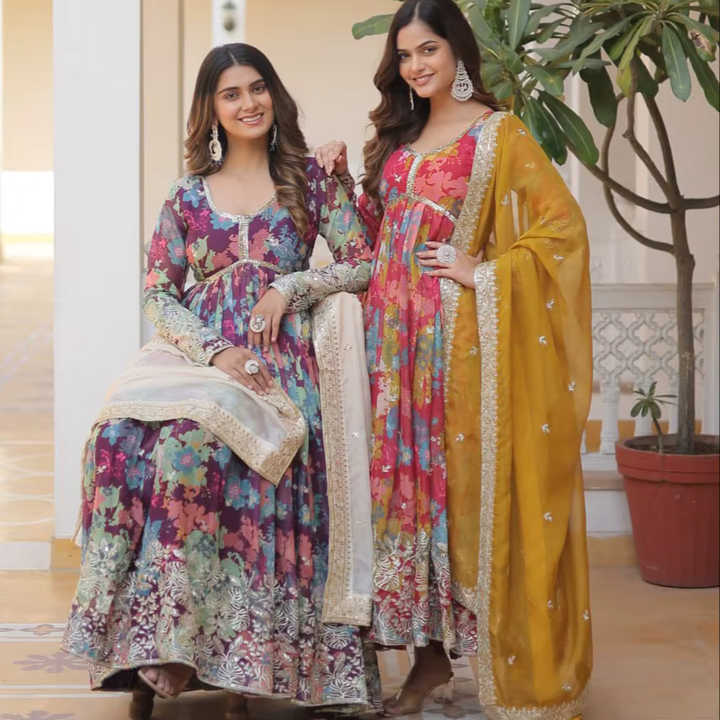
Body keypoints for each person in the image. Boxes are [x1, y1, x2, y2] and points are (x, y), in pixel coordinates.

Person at [62, 43, 379, 720]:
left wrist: (290, 287)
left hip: (275, 358)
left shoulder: (307, 181)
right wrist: (213, 350)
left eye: (257, 88)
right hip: (201, 356)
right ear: (211, 109)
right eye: (231, 93)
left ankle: (197, 648)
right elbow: (158, 293)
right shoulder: (186, 195)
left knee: (194, 447)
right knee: (116, 443)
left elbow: (362, 261)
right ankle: (148, 639)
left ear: (274, 95)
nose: (248, 103)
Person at [315, 0, 593, 717]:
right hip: (390, 346)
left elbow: (562, 229)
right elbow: (378, 240)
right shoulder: (400, 139)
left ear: (459, 50)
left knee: (457, 496)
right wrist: (342, 183)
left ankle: (478, 654)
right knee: (402, 501)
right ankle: (428, 656)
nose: (416, 66)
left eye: (429, 49)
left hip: (454, 346)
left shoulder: (498, 134)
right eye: (405, 55)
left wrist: (484, 271)